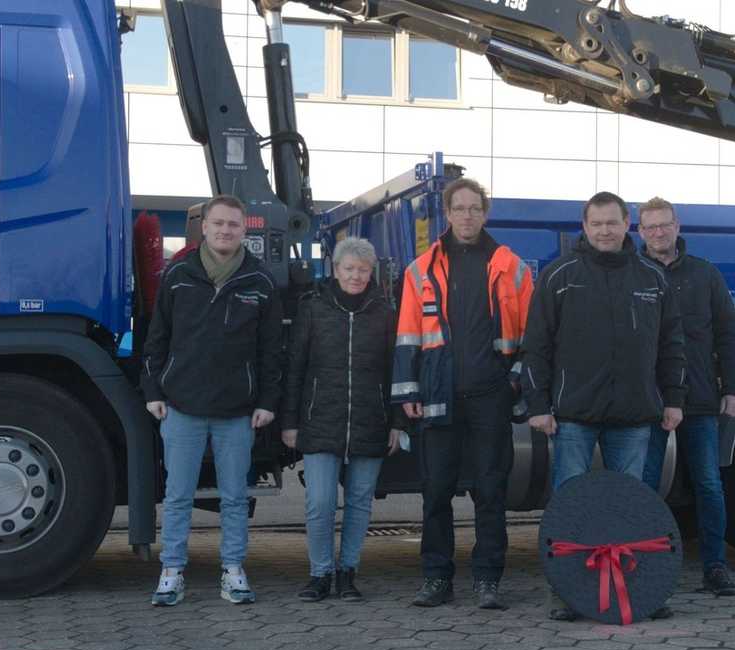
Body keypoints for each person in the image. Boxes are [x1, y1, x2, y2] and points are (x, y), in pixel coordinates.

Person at [521, 191, 686, 620]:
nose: (604, 231)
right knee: (571, 506)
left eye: (612, 223)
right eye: (596, 224)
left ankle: (638, 591)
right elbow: (535, 347)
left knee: (632, 507)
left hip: (634, 416)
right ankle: (568, 592)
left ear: (627, 223)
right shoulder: (560, 276)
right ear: (584, 226)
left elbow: (672, 345)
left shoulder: (652, 277)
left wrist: (675, 400)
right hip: (574, 416)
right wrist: (538, 405)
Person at [392, 177, 534, 610]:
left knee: (490, 492)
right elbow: (407, 337)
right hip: (438, 397)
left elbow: (533, 337)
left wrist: (514, 383)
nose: (467, 215)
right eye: (460, 208)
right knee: (435, 492)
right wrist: (407, 394)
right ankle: (437, 578)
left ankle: (487, 579)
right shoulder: (421, 269)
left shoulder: (513, 267)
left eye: (475, 208)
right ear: (447, 213)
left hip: (492, 395)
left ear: (485, 213)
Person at [142, 194, 283, 606]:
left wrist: (267, 401)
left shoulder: (259, 282)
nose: (225, 230)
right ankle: (171, 571)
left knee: (235, 497)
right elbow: (157, 339)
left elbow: (272, 351)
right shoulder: (179, 275)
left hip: (236, 411)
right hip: (182, 407)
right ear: (203, 227)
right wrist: (154, 392)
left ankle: (234, 571)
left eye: (233, 225)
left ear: (244, 230)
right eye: (218, 223)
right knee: (178, 495)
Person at [281, 237, 402, 602]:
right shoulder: (314, 309)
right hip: (320, 421)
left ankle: (347, 572)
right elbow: (295, 368)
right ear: (335, 270)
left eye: (362, 270)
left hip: (371, 420)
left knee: (360, 502)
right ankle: (320, 573)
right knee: (319, 502)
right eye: (348, 269)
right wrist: (290, 423)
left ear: (371, 273)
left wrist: (397, 422)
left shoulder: (384, 312)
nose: (355, 276)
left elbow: (396, 370)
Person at [638, 196, 735, 597]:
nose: (658, 233)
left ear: (677, 226)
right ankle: (643, 568)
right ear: (640, 232)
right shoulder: (634, 273)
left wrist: (733, 388)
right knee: (645, 485)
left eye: (664, 225)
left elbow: (729, 335)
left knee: (708, 485)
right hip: (647, 400)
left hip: (700, 399)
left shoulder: (705, 275)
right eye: (650, 227)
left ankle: (715, 568)